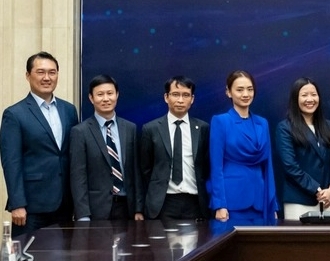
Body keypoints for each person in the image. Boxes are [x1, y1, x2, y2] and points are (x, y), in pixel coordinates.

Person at [0, 51, 79, 236]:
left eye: (52, 72)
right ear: (28, 75)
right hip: (32, 207)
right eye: (40, 72)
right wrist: (17, 203)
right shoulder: (14, 114)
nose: (47, 78)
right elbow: (11, 162)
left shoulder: (69, 110)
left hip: (66, 204)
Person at [70, 74, 144, 220]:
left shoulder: (130, 128)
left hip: (126, 208)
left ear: (117, 95)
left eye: (110, 93)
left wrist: (139, 209)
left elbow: (136, 172)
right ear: (91, 98)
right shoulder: (80, 132)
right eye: (100, 94)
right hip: (96, 210)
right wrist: (83, 214)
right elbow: (78, 177)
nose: (105, 99)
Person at [208, 70, 277, 224]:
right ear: (228, 92)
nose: (245, 94)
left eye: (250, 89)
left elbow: (268, 166)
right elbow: (216, 166)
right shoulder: (221, 122)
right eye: (239, 90)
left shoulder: (262, 123)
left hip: (260, 202)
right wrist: (219, 204)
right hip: (232, 201)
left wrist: (272, 204)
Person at [140, 76, 211, 220]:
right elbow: (145, 169)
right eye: (175, 94)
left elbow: (206, 166)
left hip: (195, 203)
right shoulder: (151, 129)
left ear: (192, 99)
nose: (180, 100)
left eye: (186, 95)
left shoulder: (203, 128)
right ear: (166, 97)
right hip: (162, 203)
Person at [276, 77, 330, 220]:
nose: (310, 99)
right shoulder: (285, 128)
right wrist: (316, 189)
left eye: (313, 94)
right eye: (304, 95)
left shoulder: (328, 126)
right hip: (299, 200)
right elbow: (290, 166)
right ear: (295, 99)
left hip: (329, 200)